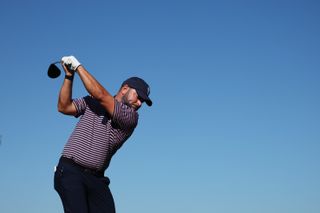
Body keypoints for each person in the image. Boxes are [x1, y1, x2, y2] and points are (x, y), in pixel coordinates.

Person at [53, 55, 152, 213]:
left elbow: (101, 95)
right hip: (70, 170)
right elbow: (64, 107)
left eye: (143, 101)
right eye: (138, 97)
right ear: (125, 88)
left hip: (96, 179)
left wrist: (78, 67)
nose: (140, 103)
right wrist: (69, 76)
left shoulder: (130, 117)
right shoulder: (92, 101)